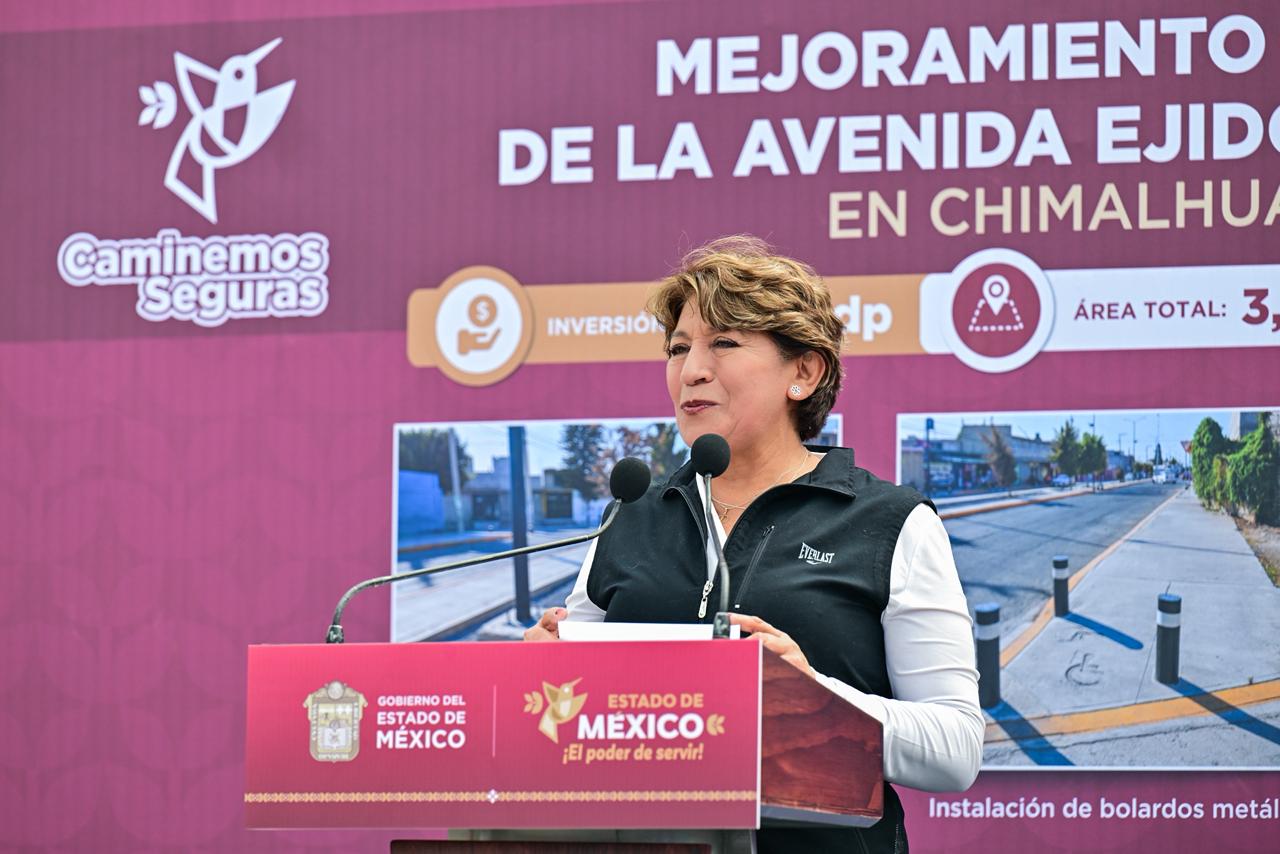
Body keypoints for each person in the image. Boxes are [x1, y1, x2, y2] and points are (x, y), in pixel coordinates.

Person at [525, 236, 982, 852]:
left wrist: (813, 697)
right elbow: (565, 713)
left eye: (724, 343)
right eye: (678, 348)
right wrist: (537, 676)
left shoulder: (891, 522)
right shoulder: (629, 518)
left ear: (804, 372)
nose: (691, 370)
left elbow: (955, 750)